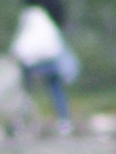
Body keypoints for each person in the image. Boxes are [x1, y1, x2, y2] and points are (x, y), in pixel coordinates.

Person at [11, 0, 76, 137]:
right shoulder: (48, 11)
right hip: (50, 51)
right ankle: (64, 121)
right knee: (54, 85)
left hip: (31, 56)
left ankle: (23, 122)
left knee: (26, 89)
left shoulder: (31, 14)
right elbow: (60, 19)